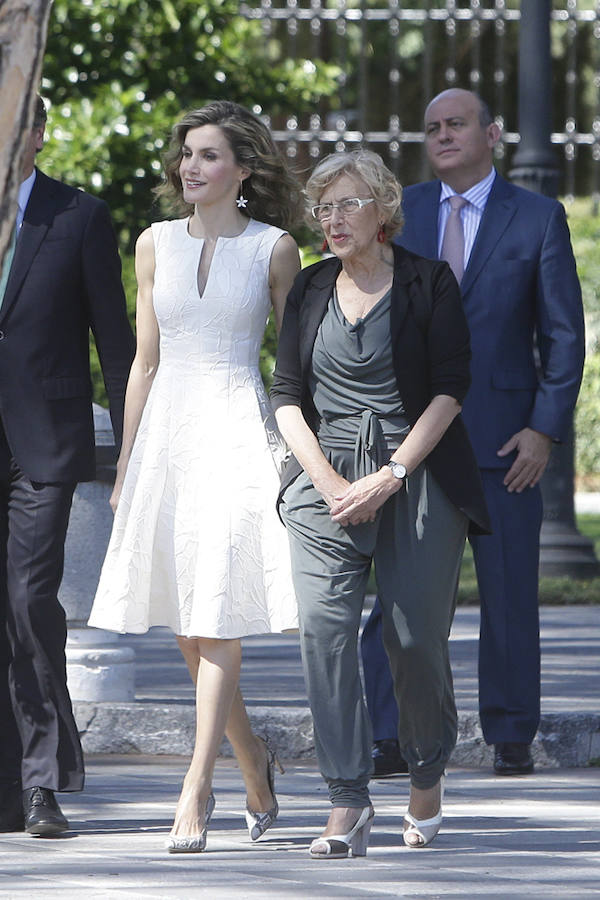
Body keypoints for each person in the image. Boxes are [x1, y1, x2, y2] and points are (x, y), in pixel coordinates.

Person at [88, 101, 302, 852]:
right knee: (186, 630)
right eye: (186, 154)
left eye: (209, 155)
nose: (191, 166)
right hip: (165, 442)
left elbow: (296, 362)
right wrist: (124, 463)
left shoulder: (276, 249)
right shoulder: (152, 244)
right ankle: (254, 762)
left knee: (213, 618)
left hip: (238, 432)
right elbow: (144, 362)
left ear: (244, 169)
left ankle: (197, 785)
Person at [271, 149, 490, 857]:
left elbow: (451, 388)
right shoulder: (307, 289)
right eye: (324, 207)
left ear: (384, 211)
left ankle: (425, 773)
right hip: (323, 480)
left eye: (348, 204)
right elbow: (285, 399)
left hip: (415, 473)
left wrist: (391, 473)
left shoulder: (428, 283)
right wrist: (331, 484)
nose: (333, 219)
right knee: (322, 632)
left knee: (413, 638)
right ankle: (346, 801)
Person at [361, 88, 585, 777]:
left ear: (492, 132)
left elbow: (564, 335)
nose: (442, 135)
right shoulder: (403, 215)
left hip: (503, 441)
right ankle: (390, 735)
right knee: (399, 593)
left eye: (456, 124)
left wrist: (544, 431)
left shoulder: (538, 217)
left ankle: (511, 732)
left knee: (511, 594)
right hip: (411, 438)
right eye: (432, 128)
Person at [0, 95, 135, 836]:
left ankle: (42, 782)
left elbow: (115, 342)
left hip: (44, 443)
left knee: (28, 601)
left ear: (41, 133)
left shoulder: (78, 216)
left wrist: (133, 451)